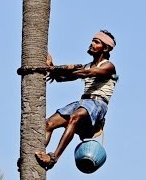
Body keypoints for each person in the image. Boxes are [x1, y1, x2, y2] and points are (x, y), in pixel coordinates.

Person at [35, 30, 118, 170]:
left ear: (105, 48)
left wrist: (56, 69)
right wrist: (51, 67)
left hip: (98, 103)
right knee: (48, 124)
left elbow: (88, 73)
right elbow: (62, 78)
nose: (92, 44)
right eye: (93, 40)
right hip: (82, 102)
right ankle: (36, 156)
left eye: (97, 42)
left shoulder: (108, 66)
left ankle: (53, 158)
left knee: (74, 117)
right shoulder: (86, 66)